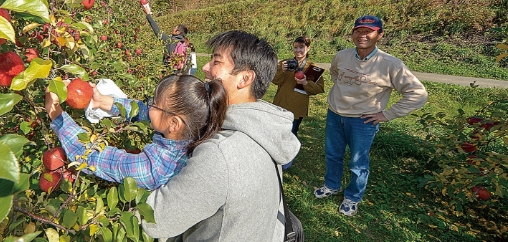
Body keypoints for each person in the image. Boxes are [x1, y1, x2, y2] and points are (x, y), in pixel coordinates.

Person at [142, 30, 301, 241]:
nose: (205, 69)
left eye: (216, 62)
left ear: (244, 78)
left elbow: (156, 220)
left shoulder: (220, 153)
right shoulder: (265, 131)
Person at [313, 15, 428, 217]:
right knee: (333, 154)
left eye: (369, 31)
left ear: (379, 35)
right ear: (352, 34)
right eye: (358, 31)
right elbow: (334, 74)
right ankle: (332, 185)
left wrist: (387, 114)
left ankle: (353, 197)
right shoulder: (342, 56)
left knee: (358, 163)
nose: (362, 35)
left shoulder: (390, 64)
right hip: (334, 114)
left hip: (363, 121)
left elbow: (418, 94)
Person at [45, 75, 227, 190]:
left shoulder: (153, 169)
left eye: (154, 103)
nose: (149, 106)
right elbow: (141, 110)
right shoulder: (197, 128)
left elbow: (91, 157)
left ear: (173, 124)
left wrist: (55, 113)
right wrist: (101, 101)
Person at [271, 36, 325, 169]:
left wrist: (306, 83)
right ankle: (274, 155)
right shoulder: (285, 63)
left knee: (291, 132)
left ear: (308, 48)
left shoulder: (313, 68)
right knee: (276, 131)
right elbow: (275, 81)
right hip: (280, 104)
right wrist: (281, 70)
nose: (298, 50)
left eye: (301, 47)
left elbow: (319, 88)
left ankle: (287, 159)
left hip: (297, 107)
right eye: (295, 47)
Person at [141, 1, 191, 74]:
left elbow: (156, 30)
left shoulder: (170, 40)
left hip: (169, 72)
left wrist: (148, 15)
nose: (172, 29)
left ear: (178, 32)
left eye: (174, 28)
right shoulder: (184, 43)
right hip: (180, 73)